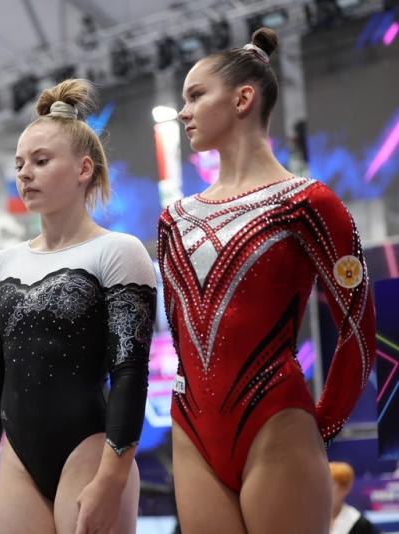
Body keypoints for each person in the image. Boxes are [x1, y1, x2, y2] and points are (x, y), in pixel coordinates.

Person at [157, 28, 376, 533]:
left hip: (276, 423)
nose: (184, 112)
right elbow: (179, 333)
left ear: (243, 99)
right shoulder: (174, 220)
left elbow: (358, 328)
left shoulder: (308, 203)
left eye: (196, 95)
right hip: (192, 429)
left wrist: (322, 423)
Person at [0, 78, 157, 534]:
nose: (25, 173)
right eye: (19, 164)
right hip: (19, 461)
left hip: (91, 451)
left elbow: (130, 373)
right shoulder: (3, 263)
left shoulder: (117, 251)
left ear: (83, 168)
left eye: (41, 161)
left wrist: (112, 478)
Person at [330, 462, 380, 534]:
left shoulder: (359, 523)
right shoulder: (315, 519)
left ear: (345, 488)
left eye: (331, 485)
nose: (324, 490)